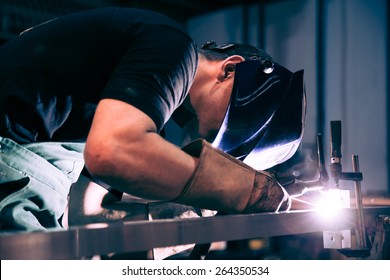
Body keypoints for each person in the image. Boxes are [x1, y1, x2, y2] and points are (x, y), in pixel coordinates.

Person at [0, 7, 305, 232]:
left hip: (28, 177)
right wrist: (246, 191)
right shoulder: (174, 47)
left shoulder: (134, 111)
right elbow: (112, 153)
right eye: (235, 125)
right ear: (230, 69)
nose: (219, 144)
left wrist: (190, 210)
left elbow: (84, 214)